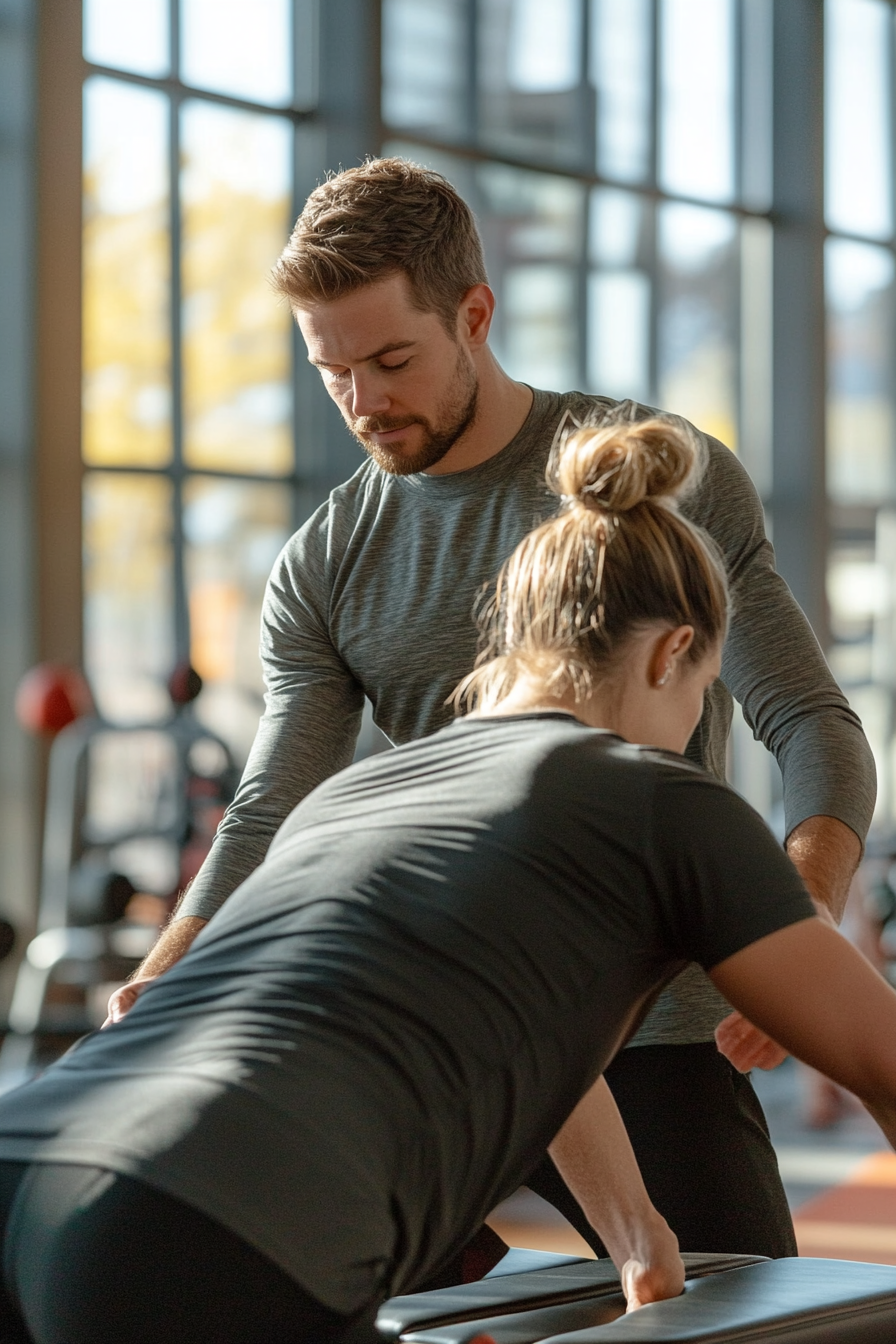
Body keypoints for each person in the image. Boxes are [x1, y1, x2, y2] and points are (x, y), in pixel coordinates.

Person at [110, 158, 875, 1261]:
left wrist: (790, 924)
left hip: (646, 1029)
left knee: (735, 1309)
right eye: (333, 373)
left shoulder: (649, 471)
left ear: (474, 314)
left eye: (390, 360)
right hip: (437, 1030)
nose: (364, 402)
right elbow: (276, 800)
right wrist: (173, 960)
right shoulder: (325, 559)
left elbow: (810, 724)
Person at [2, 417, 895, 1344]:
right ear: (673, 655)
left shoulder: (352, 796)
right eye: (700, 690)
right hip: (197, 1217)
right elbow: (882, 1059)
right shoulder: (658, 797)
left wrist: (641, 1238)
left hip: (30, 1156)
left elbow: (540, 1041)